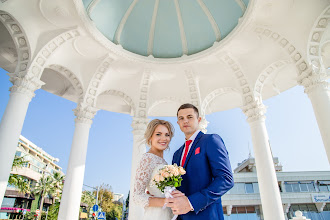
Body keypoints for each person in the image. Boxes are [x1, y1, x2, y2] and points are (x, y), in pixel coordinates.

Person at [166, 103, 234, 220]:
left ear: (199, 119)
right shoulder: (176, 154)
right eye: (181, 118)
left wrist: (191, 203)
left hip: (207, 215)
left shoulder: (211, 140)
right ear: (178, 123)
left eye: (190, 117)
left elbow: (226, 179)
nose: (185, 121)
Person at [132, 119, 184, 220]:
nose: (163, 138)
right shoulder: (147, 159)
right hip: (156, 214)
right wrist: (165, 201)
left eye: (167, 135)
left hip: (169, 213)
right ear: (150, 136)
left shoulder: (164, 162)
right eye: (158, 134)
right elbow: (137, 196)